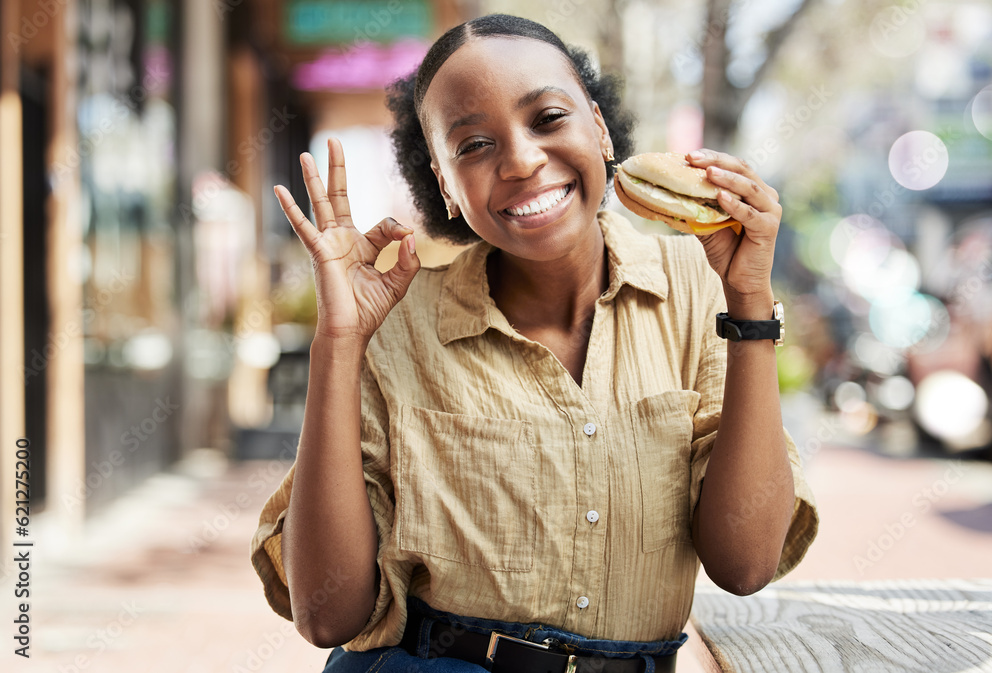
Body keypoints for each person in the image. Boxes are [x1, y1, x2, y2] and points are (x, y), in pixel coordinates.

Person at [252, 14, 818, 673]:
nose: (520, 159)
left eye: (548, 117)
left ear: (599, 128)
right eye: (473, 145)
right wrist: (339, 342)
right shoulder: (396, 321)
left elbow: (745, 563)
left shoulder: (701, 287)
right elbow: (328, 614)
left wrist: (749, 304)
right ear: (444, 185)